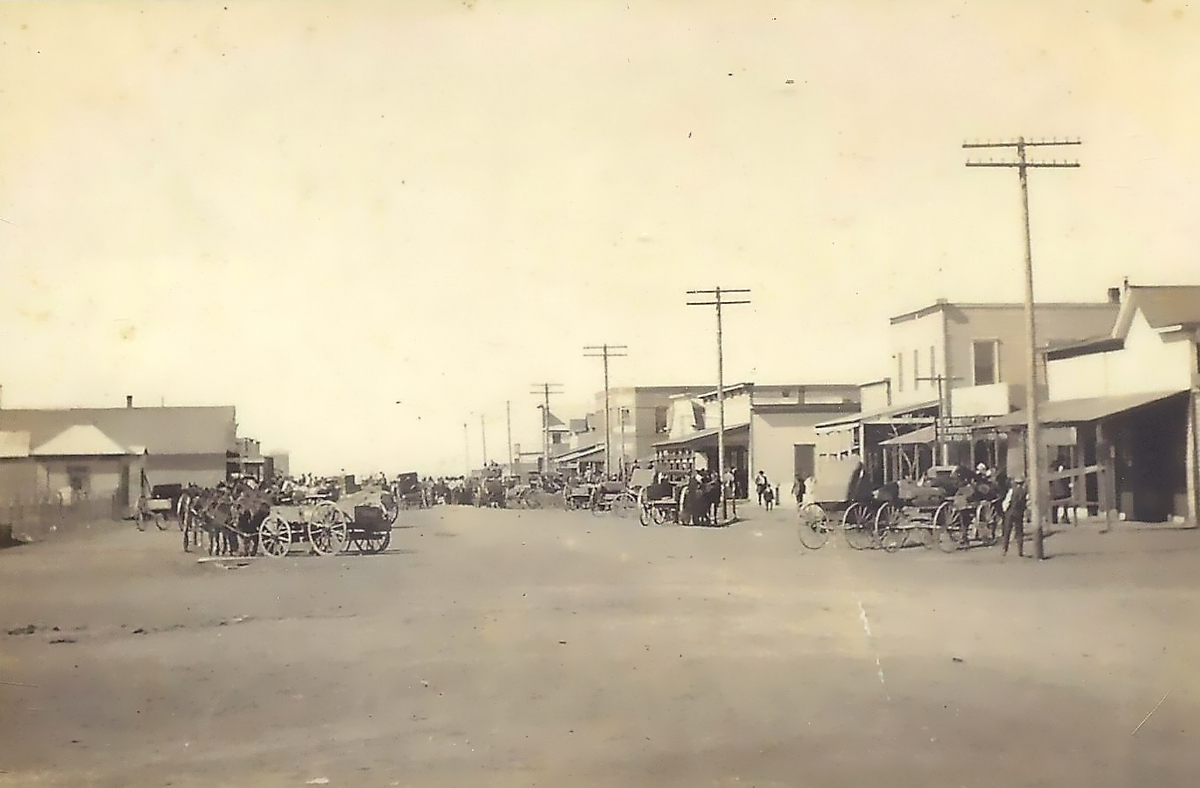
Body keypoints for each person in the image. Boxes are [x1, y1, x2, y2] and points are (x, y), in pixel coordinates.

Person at [1001, 477, 1028, 557]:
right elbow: (1026, 503)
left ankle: (1004, 549)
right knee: (1019, 532)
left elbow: (1007, 502)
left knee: (1007, 531)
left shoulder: (1012, 491)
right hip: (1019, 513)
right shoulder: (1024, 492)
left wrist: (1005, 510)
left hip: (1010, 512)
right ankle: (1020, 550)